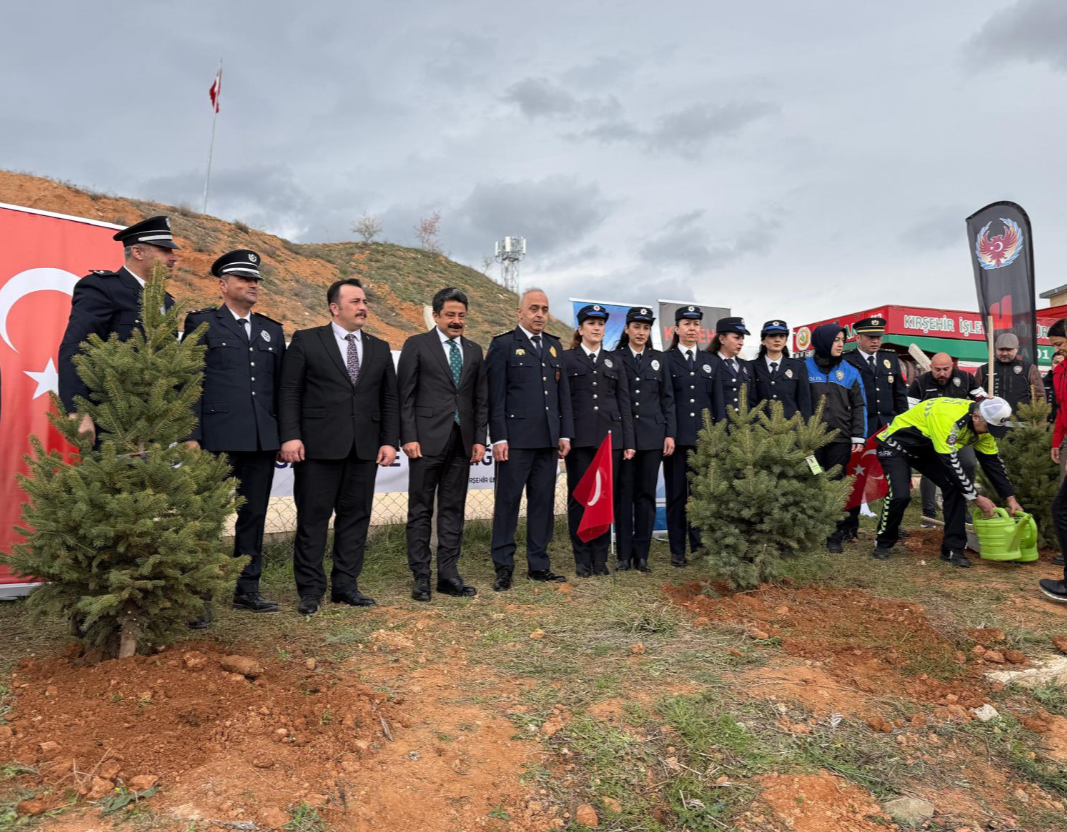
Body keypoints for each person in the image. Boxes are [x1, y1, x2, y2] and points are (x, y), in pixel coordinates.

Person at [278, 278, 399, 615]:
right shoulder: (306, 340)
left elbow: (390, 398)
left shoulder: (378, 347)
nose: (363, 307)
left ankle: (346, 586)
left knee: (355, 519)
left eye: (365, 301)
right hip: (318, 449)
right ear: (335, 307)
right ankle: (311, 590)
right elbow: (289, 391)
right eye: (355, 302)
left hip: (364, 449)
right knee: (313, 520)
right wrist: (290, 435)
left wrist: (389, 440)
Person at [183, 250, 286, 625]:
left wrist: (282, 435)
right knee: (205, 518)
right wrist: (190, 436)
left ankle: (248, 590)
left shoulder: (271, 330)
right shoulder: (202, 323)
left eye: (256, 279)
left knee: (253, 516)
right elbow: (190, 381)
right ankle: (199, 597)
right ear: (223, 285)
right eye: (244, 279)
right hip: (216, 439)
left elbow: (280, 389)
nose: (253, 284)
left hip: (260, 440)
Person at [397, 287, 488, 602]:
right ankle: (421, 577)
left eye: (461, 315)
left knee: (453, 509)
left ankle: (448, 575)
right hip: (424, 442)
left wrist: (479, 439)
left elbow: (480, 400)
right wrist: (407, 436)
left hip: (462, 443)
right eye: (450, 315)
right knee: (421, 511)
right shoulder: (416, 345)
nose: (456, 320)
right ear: (436, 316)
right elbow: (404, 396)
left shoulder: (475, 351)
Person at [58, 216, 177, 444]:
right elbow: (77, 346)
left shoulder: (168, 302)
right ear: (138, 252)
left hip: (156, 423)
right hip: (112, 419)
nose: (174, 258)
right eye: (164, 250)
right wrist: (77, 409)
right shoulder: (102, 287)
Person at [486, 288, 574, 590]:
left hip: (548, 442)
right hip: (516, 442)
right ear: (519, 313)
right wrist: (498, 437)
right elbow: (495, 397)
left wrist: (564, 433)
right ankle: (504, 566)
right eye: (534, 308)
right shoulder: (503, 345)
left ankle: (538, 564)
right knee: (508, 504)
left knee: (542, 504)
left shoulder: (553, 347)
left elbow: (562, 396)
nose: (540, 314)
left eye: (545, 309)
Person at [873, 397, 1023, 568]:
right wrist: (976, 498)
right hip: (896, 446)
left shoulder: (983, 428)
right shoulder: (948, 418)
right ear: (976, 417)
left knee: (954, 488)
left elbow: (992, 463)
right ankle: (883, 540)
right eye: (988, 427)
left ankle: (953, 548)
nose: (989, 432)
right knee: (900, 496)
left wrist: (1010, 497)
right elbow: (951, 463)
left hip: (926, 449)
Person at [562, 305, 636, 576]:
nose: (596, 328)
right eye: (591, 323)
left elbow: (624, 401)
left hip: (610, 440)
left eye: (601, 324)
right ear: (580, 329)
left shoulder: (614, 360)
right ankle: (582, 559)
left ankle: (600, 558)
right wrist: (565, 434)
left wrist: (628, 440)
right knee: (580, 498)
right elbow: (563, 402)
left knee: (604, 499)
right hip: (579, 439)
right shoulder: (567, 359)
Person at [614, 307, 676, 573]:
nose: (641, 332)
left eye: (646, 328)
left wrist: (670, 432)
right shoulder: (614, 358)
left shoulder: (659, 359)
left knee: (645, 496)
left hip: (652, 436)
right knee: (624, 496)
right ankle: (624, 556)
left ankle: (642, 555)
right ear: (627, 329)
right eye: (637, 327)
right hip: (625, 437)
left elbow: (667, 399)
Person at [664, 305, 722, 566]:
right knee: (676, 497)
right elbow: (666, 402)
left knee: (701, 497)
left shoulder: (711, 362)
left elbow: (717, 404)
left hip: (703, 441)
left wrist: (716, 436)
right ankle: (678, 550)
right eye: (686, 323)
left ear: (701, 329)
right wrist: (669, 434)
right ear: (676, 329)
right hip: (675, 442)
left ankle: (699, 545)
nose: (691, 328)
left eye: (696, 324)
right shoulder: (666, 360)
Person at [841, 316, 909, 540]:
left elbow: (899, 395)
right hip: (863, 427)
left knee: (892, 477)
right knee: (856, 475)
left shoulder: (889, 359)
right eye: (870, 337)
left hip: (888, 428)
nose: (875, 341)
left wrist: (901, 423)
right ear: (858, 338)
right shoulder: (848, 361)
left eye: (878, 337)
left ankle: (892, 525)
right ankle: (849, 525)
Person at [804, 324, 866, 553]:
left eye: (842, 340)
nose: (841, 344)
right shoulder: (803, 368)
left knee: (836, 485)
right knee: (811, 482)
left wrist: (858, 435)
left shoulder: (850, 371)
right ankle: (810, 532)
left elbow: (859, 405)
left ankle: (834, 535)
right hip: (811, 441)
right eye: (836, 340)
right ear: (823, 342)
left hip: (840, 440)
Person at [908, 353, 982, 526]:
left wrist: (985, 402)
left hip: (959, 434)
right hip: (931, 434)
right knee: (930, 470)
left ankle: (962, 509)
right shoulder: (920, 383)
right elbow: (909, 409)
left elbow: (981, 399)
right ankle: (929, 513)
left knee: (969, 464)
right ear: (930, 368)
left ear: (952, 367)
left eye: (946, 369)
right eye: (937, 370)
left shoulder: (965, 378)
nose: (942, 373)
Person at [1042, 319, 1067, 590]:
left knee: (1061, 509)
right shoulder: (1061, 372)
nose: (1058, 351)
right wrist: (1057, 441)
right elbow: (1062, 410)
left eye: (1060, 344)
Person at [750, 320, 811, 419]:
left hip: (790, 429)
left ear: (786, 340)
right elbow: (750, 402)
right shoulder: (752, 366)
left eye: (782, 336)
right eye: (772, 336)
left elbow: (804, 402)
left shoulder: (797, 366)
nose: (777, 340)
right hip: (761, 429)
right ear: (763, 341)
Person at [974, 333, 1045, 414]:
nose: (1004, 353)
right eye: (1001, 349)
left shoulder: (1029, 369)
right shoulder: (984, 369)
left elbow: (1040, 397)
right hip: (990, 422)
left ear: (1017, 349)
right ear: (995, 349)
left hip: (1021, 424)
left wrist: (1040, 422)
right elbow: (975, 395)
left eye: (1008, 350)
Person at [705, 317, 753, 416]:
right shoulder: (708, 363)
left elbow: (751, 400)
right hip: (718, 427)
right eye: (737, 338)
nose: (741, 343)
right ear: (722, 339)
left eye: (742, 339)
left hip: (743, 428)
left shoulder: (746, 366)